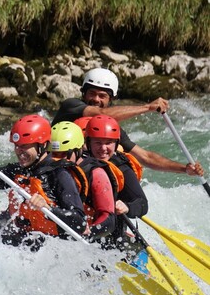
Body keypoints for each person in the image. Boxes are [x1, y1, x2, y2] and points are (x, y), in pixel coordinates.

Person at [0, 114, 87, 248]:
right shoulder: (18, 170)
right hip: (24, 240)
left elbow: (79, 222)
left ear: (43, 145)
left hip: (54, 246)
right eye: (17, 146)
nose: (19, 152)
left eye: (25, 146)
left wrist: (49, 208)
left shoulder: (60, 175)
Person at [52, 67, 205, 177]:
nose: (96, 99)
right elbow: (100, 113)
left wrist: (184, 169)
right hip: (53, 167)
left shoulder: (109, 130)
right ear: (84, 93)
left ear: (110, 99)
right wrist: (147, 107)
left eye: (102, 95)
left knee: (119, 153)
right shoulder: (71, 106)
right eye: (91, 93)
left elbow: (146, 157)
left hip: (81, 174)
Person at [85, 115, 148, 253]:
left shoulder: (122, 168)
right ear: (88, 143)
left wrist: (127, 207)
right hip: (87, 232)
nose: (103, 148)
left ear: (116, 143)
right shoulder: (80, 162)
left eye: (108, 143)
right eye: (98, 143)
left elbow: (143, 204)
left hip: (113, 239)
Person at [48, 121, 116, 243]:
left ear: (78, 150)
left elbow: (109, 220)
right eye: (54, 154)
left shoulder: (96, 174)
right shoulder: (48, 170)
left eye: (64, 154)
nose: (58, 160)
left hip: (97, 240)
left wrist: (90, 232)